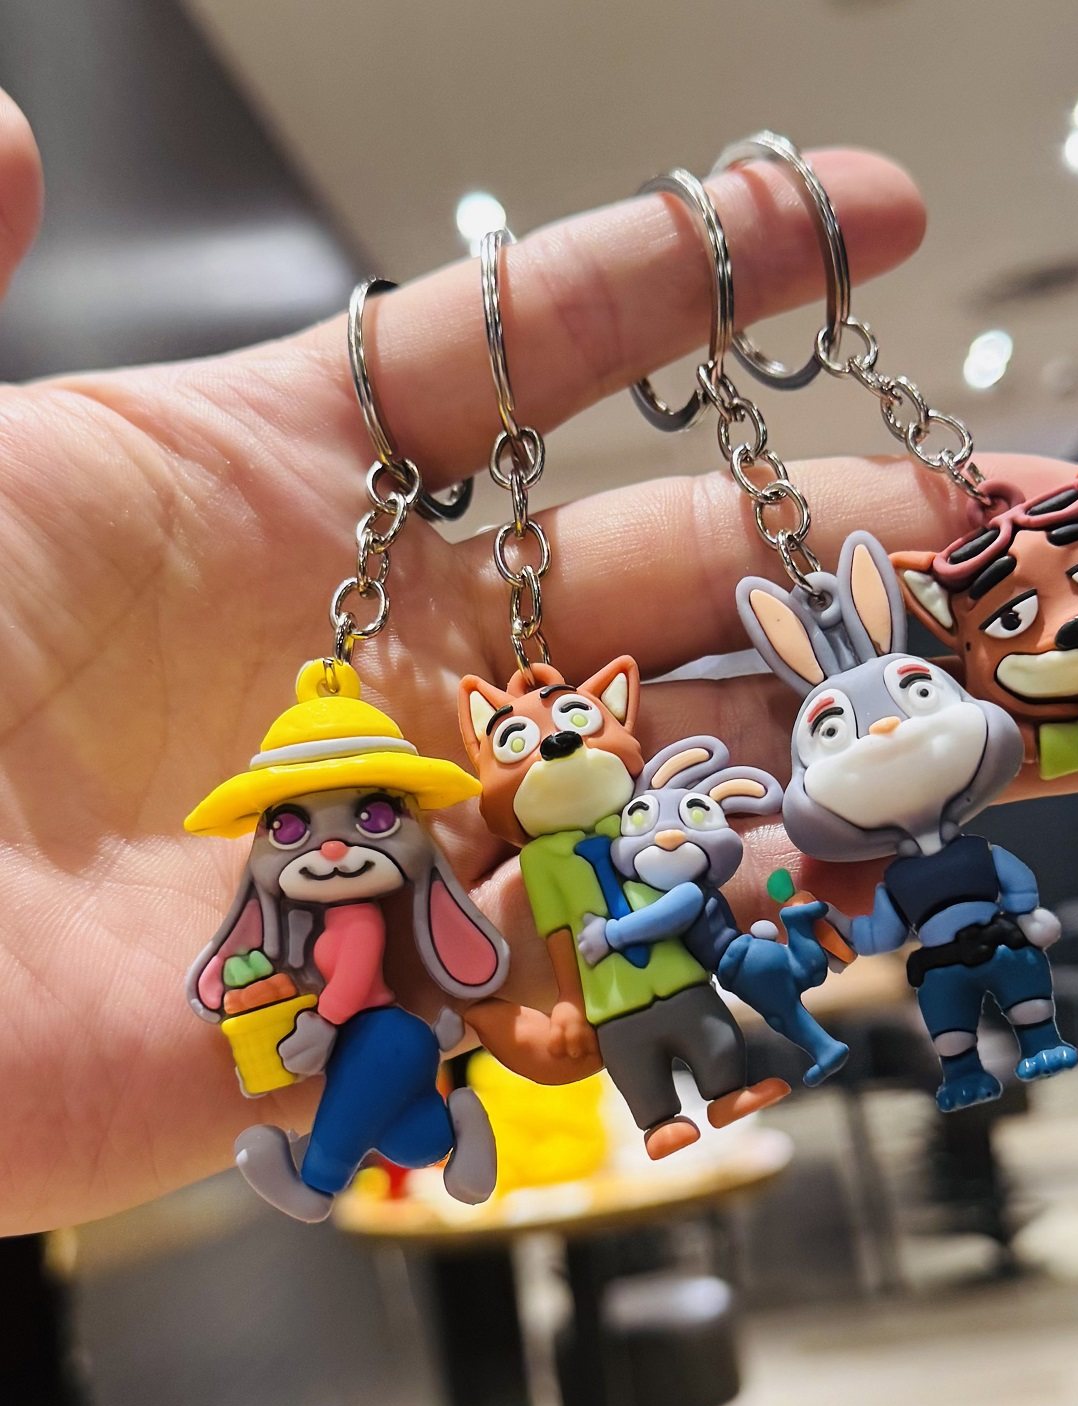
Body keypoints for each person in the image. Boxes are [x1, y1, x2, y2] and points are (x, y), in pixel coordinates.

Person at [0, 83, 943, 1234]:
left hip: (570, 988)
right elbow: (492, 947)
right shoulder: (361, 908)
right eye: (293, 829)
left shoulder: (498, 872)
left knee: (486, 1049)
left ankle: (417, 1144)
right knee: (421, 1074)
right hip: (526, 1004)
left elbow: (523, 936)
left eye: (363, 819)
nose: (333, 847)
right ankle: (455, 1133)